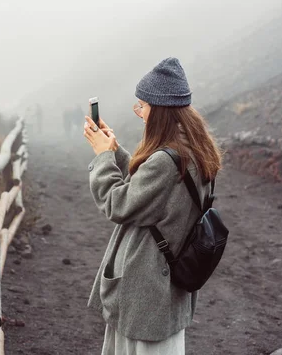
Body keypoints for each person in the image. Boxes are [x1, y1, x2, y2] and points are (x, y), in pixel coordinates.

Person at [83, 57, 222, 355]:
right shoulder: (194, 149)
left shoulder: (165, 162)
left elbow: (118, 204)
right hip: (165, 288)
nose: (140, 114)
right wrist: (114, 150)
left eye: (142, 106)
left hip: (146, 288)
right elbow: (150, 190)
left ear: (158, 111)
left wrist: (102, 158)